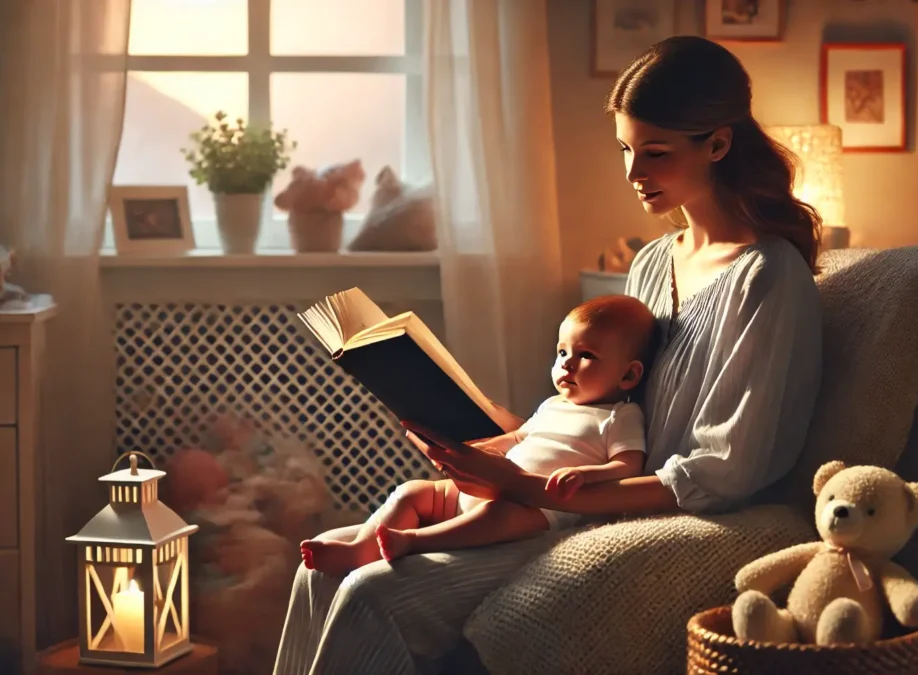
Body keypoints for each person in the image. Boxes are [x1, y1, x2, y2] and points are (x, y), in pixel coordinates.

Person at [274, 35, 823, 675]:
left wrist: (533, 487)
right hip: (558, 492)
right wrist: (496, 432)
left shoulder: (768, 276)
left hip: (601, 510)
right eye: (625, 149)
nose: (633, 172)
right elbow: (609, 406)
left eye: (655, 152)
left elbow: (723, 469)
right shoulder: (650, 263)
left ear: (718, 145)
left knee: (371, 592)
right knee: (325, 561)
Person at [298, 295, 657, 574]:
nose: (566, 363)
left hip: (536, 508)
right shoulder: (552, 405)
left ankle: (413, 541)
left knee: (499, 516)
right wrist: (482, 448)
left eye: (586, 355)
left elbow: (628, 465)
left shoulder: (620, 415)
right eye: (562, 352)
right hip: (490, 487)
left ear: (628, 376)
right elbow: (519, 437)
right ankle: (361, 548)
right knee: (413, 491)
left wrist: (587, 475)